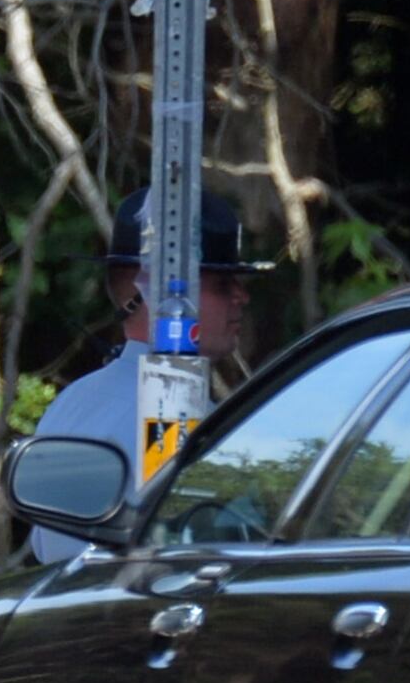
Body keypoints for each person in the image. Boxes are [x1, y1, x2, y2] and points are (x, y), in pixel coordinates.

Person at [24, 186, 258, 562]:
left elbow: (45, 546)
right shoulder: (180, 414)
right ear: (154, 289)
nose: (241, 296)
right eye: (221, 284)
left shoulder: (72, 401)